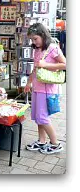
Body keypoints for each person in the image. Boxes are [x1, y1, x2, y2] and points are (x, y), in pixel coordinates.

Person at [24, 23, 66, 155]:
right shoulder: (37, 49)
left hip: (47, 88)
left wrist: (46, 64)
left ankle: (55, 143)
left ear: (43, 35)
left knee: (42, 117)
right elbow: (35, 68)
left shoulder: (53, 48)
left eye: (35, 38)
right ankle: (41, 141)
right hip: (37, 87)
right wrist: (29, 83)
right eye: (31, 39)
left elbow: (65, 64)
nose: (33, 42)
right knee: (37, 117)